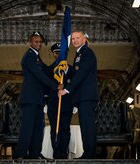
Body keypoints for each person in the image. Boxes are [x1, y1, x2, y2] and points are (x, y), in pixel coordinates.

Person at [15, 32, 61, 159]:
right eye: (36, 41)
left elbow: (46, 70)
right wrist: (55, 86)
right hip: (30, 98)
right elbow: (40, 76)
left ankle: (35, 155)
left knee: (37, 129)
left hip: (38, 99)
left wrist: (59, 61)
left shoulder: (36, 57)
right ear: (30, 42)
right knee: (27, 128)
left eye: (40, 42)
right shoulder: (29, 57)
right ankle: (20, 155)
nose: (39, 44)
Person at [58, 31, 99, 159]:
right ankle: (88, 153)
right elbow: (77, 71)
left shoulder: (87, 52)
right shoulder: (79, 53)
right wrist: (67, 69)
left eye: (78, 38)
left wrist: (67, 90)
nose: (75, 40)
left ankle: (90, 154)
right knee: (85, 126)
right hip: (83, 96)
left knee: (88, 126)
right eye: (73, 39)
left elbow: (81, 74)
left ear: (84, 39)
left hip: (86, 95)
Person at [47, 43, 74, 159]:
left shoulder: (72, 70)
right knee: (54, 129)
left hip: (67, 104)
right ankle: (56, 154)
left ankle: (64, 154)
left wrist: (76, 103)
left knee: (65, 129)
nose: (59, 55)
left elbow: (76, 86)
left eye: (61, 53)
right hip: (53, 105)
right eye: (56, 53)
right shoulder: (49, 70)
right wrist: (45, 102)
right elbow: (45, 86)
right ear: (53, 55)